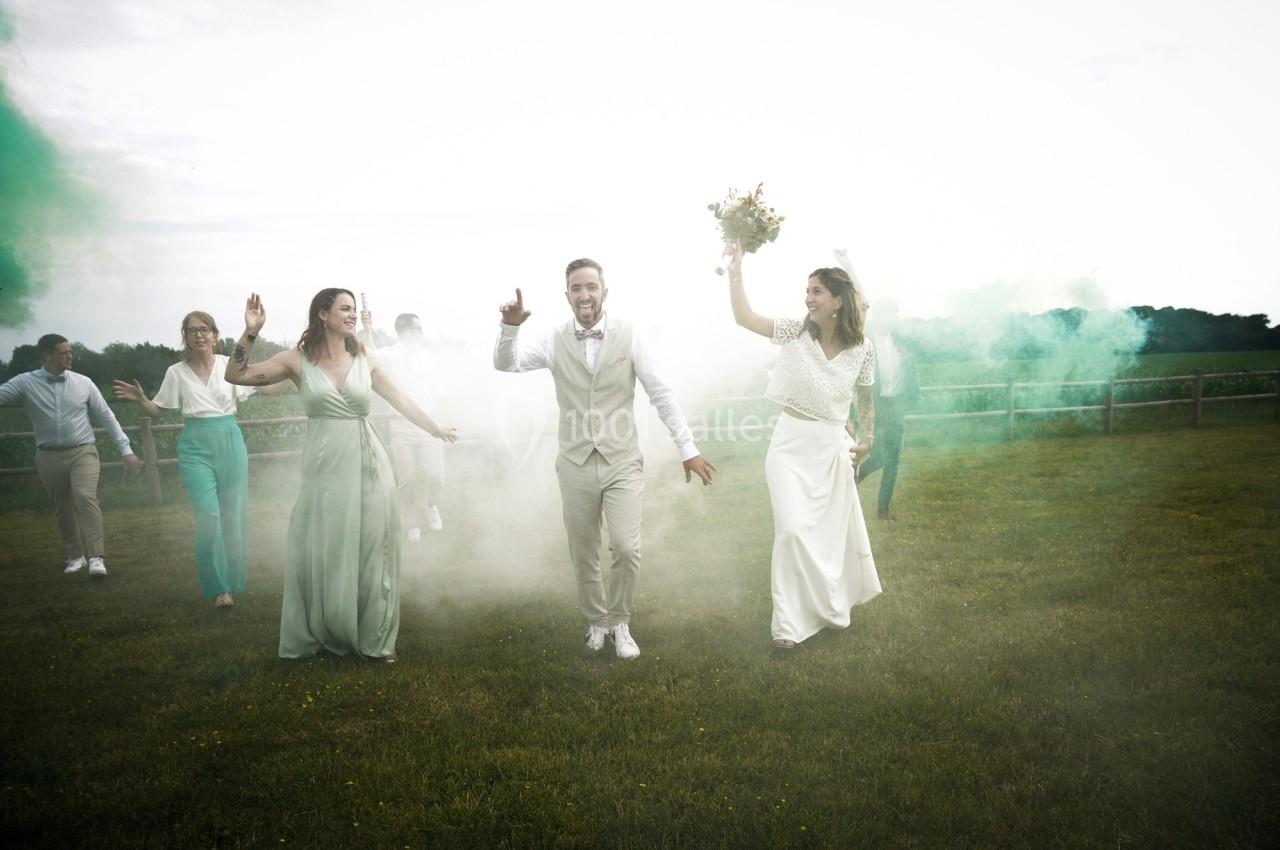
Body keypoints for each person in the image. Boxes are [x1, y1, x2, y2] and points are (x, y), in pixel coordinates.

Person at [494, 258, 716, 660]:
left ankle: (620, 622)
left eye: (591, 287)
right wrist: (510, 327)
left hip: (621, 460)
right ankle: (597, 623)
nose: (584, 295)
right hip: (575, 461)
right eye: (576, 288)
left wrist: (688, 449)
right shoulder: (552, 339)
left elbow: (661, 393)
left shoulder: (631, 336)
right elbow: (505, 363)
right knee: (583, 551)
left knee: (627, 548)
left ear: (604, 291)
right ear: (567, 295)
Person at [223, 289, 456, 661]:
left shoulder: (366, 358)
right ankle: (330, 629)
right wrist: (251, 331)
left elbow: (404, 400)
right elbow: (236, 374)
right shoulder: (296, 360)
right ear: (322, 315)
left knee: (372, 545)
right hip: (323, 467)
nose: (352, 315)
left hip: (368, 460)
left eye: (353, 309)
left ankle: (376, 638)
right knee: (326, 547)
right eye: (344, 309)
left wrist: (434, 428)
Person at [725, 241, 881, 650]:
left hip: (831, 450)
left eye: (816, 291)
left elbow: (865, 398)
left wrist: (866, 439)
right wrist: (736, 270)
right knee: (792, 532)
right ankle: (787, 627)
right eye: (807, 290)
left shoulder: (862, 348)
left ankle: (828, 608)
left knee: (827, 539)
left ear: (837, 302)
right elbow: (744, 317)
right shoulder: (795, 332)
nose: (808, 298)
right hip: (789, 447)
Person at [113, 311, 288, 609]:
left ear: (216, 335)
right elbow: (159, 410)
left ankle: (234, 581)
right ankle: (219, 588)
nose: (199, 335)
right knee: (208, 516)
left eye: (205, 329)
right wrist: (142, 399)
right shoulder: (176, 372)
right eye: (192, 331)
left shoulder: (228, 365)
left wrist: (290, 373)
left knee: (233, 516)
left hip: (229, 439)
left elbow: (265, 388)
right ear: (186, 337)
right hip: (195, 445)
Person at [0, 334, 142, 576]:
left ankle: (96, 557)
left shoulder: (84, 382)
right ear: (47, 355)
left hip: (83, 452)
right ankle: (75, 556)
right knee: (61, 506)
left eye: (70, 351)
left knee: (85, 497)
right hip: (47, 456)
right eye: (63, 352)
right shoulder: (25, 382)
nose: (70, 356)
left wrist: (126, 449)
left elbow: (106, 416)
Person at [833, 250, 919, 521]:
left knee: (893, 458)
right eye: (888, 314)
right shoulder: (863, 338)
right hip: (872, 406)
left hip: (896, 405)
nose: (892, 318)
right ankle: (857, 477)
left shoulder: (902, 341)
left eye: (895, 314)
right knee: (875, 453)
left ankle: (883, 510)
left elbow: (910, 371)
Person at [360, 310, 448, 541]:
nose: (420, 333)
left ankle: (432, 506)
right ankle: (411, 523)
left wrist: (439, 419)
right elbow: (369, 355)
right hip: (401, 425)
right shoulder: (389, 355)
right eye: (417, 328)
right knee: (407, 479)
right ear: (405, 331)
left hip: (430, 423)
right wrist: (367, 329)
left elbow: (438, 390)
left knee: (436, 475)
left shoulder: (427, 357)